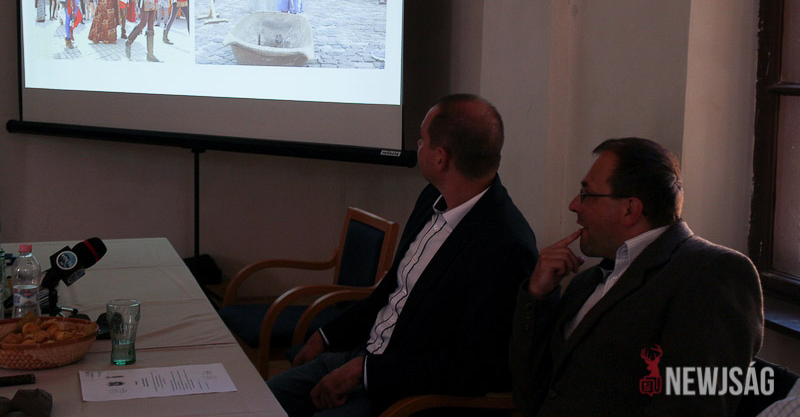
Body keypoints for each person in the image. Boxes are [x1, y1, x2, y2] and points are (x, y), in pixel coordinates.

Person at [266, 94, 539, 416]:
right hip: (362, 357)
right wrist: (326, 335)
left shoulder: (505, 245)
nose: (418, 146)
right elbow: (390, 291)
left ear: (440, 158)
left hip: (402, 396)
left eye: (422, 140)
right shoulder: (432, 198)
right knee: (254, 401)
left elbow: (472, 368)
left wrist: (364, 372)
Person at [510, 137, 764, 416]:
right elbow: (530, 392)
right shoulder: (585, 282)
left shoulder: (713, 272)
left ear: (630, 209)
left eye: (586, 194)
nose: (574, 205)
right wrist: (538, 297)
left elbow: (694, 407)